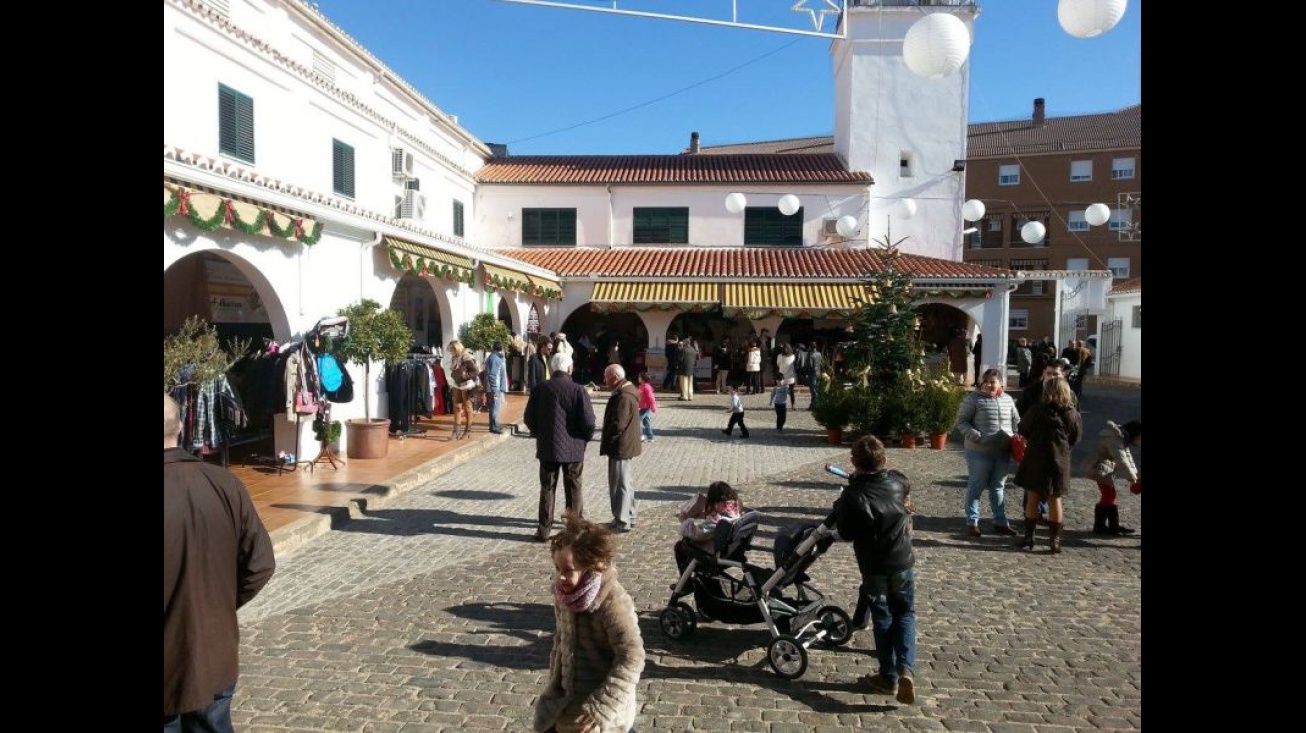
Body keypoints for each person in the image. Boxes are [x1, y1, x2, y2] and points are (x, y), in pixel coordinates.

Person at [164, 393, 276, 732]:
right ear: (181, 427)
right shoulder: (226, 483)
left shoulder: (226, 484)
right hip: (214, 652)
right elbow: (260, 564)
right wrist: (219, 606)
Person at [533, 511, 645, 733]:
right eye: (557, 569)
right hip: (566, 700)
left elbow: (632, 656)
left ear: (590, 567)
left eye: (568, 570)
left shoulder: (611, 602)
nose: (560, 577)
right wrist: (555, 683)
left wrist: (603, 706)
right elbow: (562, 640)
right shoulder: (564, 596)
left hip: (598, 710)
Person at [831, 436, 917, 705]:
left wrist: (844, 499)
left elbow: (845, 532)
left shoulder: (854, 495)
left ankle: (888, 677)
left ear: (854, 462)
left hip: (874, 566)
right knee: (904, 612)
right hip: (902, 560)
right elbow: (906, 501)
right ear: (884, 459)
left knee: (883, 617)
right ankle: (906, 669)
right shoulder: (898, 481)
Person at [523, 352, 596, 542]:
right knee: (574, 488)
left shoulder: (541, 388)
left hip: (548, 446)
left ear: (552, 368)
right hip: (573, 448)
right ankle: (575, 529)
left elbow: (528, 417)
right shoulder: (578, 390)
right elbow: (588, 421)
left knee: (547, 487)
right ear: (569, 368)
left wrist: (539, 432)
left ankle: (544, 529)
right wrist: (585, 438)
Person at [1013, 377, 1083, 554]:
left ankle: (1029, 537)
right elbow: (1075, 437)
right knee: (1055, 499)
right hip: (1059, 459)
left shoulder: (1036, 410)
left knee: (1033, 497)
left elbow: (1022, 429)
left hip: (1036, 456)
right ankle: (1054, 540)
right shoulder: (1072, 414)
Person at [955, 368, 1021, 537]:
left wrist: (1015, 437)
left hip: (1002, 451)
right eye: (986, 382)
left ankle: (1000, 521)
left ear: (1000, 383)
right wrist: (976, 436)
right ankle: (972, 521)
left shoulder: (1008, 400)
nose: (989, 385)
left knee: (998, 487)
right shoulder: (973, 399)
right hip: (979, 451)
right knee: (976, 485)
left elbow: (1016, 421)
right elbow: (961, 421)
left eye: (993, 382)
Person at [600, 364, 642, 534]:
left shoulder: (624, 396)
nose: (604, 380)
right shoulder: (626, 391)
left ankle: (622, 519)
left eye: (606, 376)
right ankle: (628, 515)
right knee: (625, 482)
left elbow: (618, 424)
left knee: (620, 483)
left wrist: (609, 438)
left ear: (615, 377)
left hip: (621, 445)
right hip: (625, 444)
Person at [1087, 419, 1141, 535]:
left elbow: (1128, 457)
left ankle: (1111, 526)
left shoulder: (1121, 438)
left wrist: (1134, 474)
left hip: (1106, 468)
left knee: (1110, 495)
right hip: (1099, 468)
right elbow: (1122, 460)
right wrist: (1132, 479)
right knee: (1108, 495)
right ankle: (1101, 527)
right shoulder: (1114, 439)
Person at [676, 480, 745, 562]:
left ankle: (685, 573)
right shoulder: (733, 511)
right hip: (726, 545)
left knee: (679, 547)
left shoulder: (720, 521)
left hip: (711, 551)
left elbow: (699, 535)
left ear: (715, 502)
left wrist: (684, 521)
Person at [447, 340, 479, 440]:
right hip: (457, 385)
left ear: (456, 348)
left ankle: (468, 431)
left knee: (468, 408)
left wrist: (465, 377)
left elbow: (475, 371)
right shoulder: (454, 358)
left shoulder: (467, 357)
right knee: (457, 407)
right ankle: (456, 431)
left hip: (467, 385)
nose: (451, 352)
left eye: (452, 350)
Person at [484, 341, 509, 434]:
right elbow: (492, 375)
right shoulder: (495, 359)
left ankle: (495, 424)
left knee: (495, 407)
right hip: (494, 388)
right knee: (494, 407)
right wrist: (495, 389)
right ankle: (494, 426)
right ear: (501, 349)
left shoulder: (495, 357)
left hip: (495, 387)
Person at [636, 372, 657, 442]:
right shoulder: (641, 386)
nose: (638, 378)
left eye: (639, 377)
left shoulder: (646, 387)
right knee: (646, 423)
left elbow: (651, 398)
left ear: (643, 379)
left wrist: (653, 407)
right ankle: (650, 437)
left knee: (636, 420)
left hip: (645, 408)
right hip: (642, 407)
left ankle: (640, 436)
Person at [776, 343, 797, 408]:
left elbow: (778, 364)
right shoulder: (791, 356)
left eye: (786, 348)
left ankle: (790, 404)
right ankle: (788, 405)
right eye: (785, 348)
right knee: (786, 391)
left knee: (789, 391)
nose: (785, 350)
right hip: (785, 376)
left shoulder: (781, 356)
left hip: (787, 376)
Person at [678, 337, 699, 401]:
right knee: (690, 383)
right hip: (691, 368)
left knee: (684, 383)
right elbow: (695, 360)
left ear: (686, 342)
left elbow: (680, 359)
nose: (683, 343)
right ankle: (690, 396)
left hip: (683, 369)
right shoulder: (693, 350)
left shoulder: (683, 349)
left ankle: (685, 396)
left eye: (684, 342)